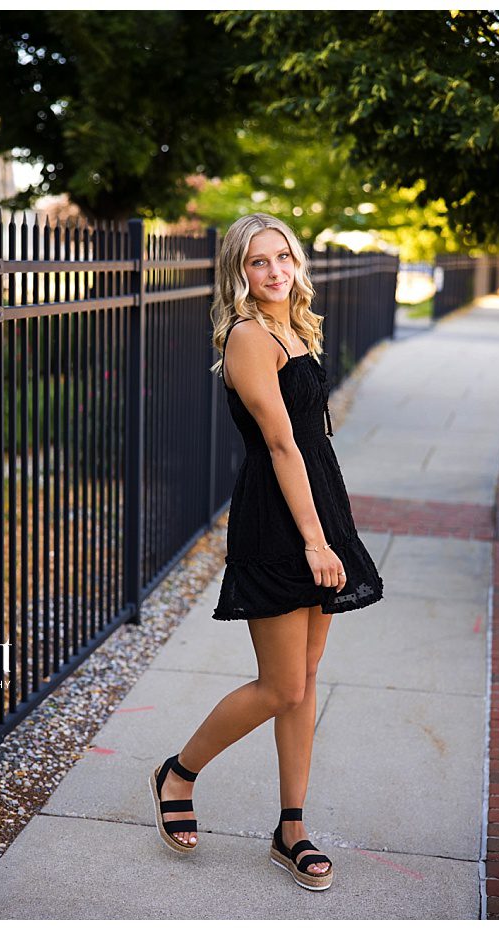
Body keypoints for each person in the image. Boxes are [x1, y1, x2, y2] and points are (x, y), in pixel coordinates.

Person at [148, 212, 383, 892]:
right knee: (280, 684)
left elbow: (309, 439)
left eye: (283, 256)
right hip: (280, 520)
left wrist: (329, 526)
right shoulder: (249, 335)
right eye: (259, 262)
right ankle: (179, 772)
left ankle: (291, 828)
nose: (276, 270)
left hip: (317, 504)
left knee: (304, 681)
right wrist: (313, 540)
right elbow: (280, 444)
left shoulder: (292, 324)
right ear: (239, 273)